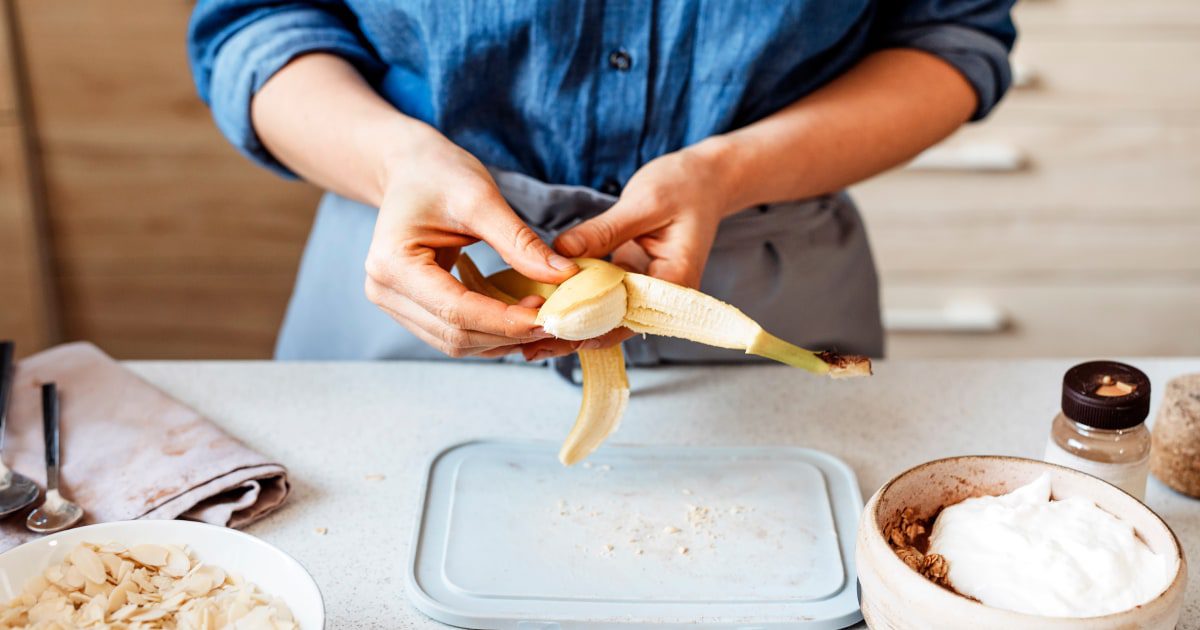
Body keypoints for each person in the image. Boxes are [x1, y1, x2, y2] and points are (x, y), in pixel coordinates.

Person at [188, 1, 1015, 365]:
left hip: (769, 284)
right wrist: (394, 161)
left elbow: (950, 34)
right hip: (413, 271)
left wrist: (728, 171)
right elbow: (258, 21)